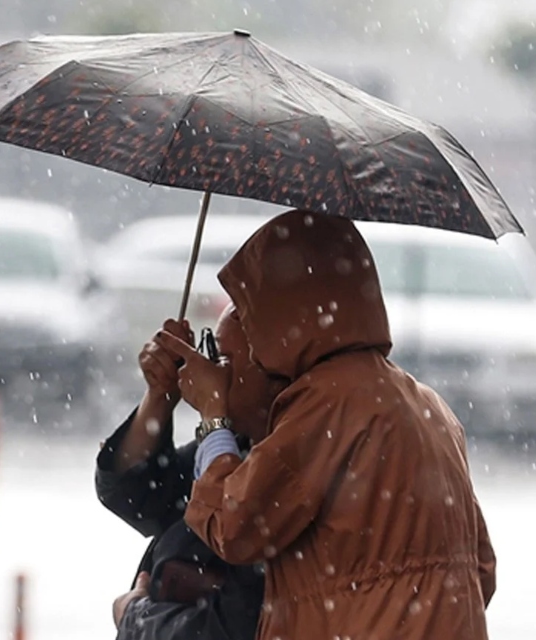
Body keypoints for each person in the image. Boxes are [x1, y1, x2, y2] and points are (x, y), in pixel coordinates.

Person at [155, 209, 497, 640]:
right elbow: (481, 568)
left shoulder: (325, 405)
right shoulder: (426, 405)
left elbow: (234, 526)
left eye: (252, 311)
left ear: (281, 317)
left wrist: (212, 416)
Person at [96, 307, 286, 640]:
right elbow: (134, 493)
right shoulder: (243, 443)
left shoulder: (285, 471)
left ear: (275, 374)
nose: (207, 371)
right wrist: (159, 397)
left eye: (221, 359)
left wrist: (135, 617)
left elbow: (227, 629)